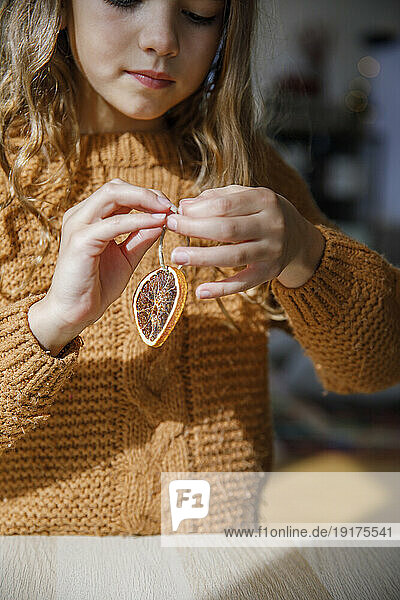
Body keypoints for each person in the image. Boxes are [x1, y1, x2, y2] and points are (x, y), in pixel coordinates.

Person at [0, 0, 398, 536]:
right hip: (48, 572)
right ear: (59, 8)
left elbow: (376, 367)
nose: (162, 39)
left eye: (199, 12)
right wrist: (46, 325)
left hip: (219, 567)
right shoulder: (11, 175)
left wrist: (306, 252)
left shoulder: (249, 171)